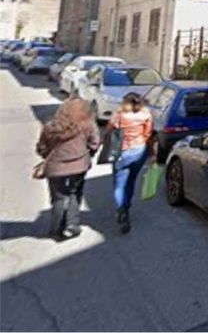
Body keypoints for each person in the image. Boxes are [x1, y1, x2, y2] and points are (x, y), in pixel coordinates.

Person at [36, 98, 100, 241]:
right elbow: (94, 143)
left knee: (58, 197)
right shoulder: (87, 125)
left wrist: (46, 154)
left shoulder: (50, 126)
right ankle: (72, 224)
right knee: (74, 193)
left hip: (55, 167)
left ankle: (56, 229)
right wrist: (88, 153)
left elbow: (42, 147)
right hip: (79, 165)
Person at [107, 92, 153, 234]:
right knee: (131, 180)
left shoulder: (120, 114)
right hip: (139, 150)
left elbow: (109, 129)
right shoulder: (146, 114)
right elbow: (148, 134)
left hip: (122, 151)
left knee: (119, 184)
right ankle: (126, 206)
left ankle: (121, 210)